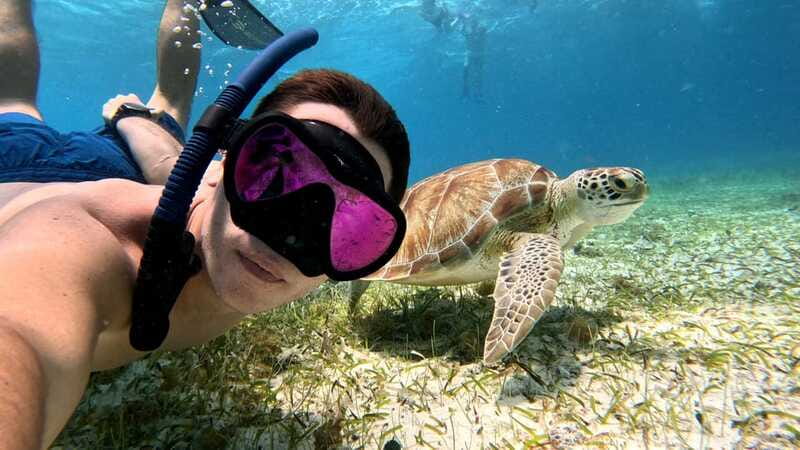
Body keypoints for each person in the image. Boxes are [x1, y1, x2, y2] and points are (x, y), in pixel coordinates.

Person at [0, 1, 410, 448]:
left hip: (140, 169)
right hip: (17, 165)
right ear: (222, 162)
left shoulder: (208, 192)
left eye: (350, 221)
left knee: (167, 116)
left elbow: (171, 164)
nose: (287, 237)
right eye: (276, 172)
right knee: (14, 101)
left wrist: (131, 120)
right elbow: (20, 329)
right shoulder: (87, 244)